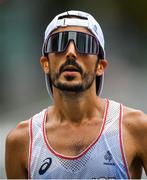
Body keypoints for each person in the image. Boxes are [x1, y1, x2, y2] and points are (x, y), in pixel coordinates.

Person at [5, 10, 147, 179]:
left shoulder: (135, 128)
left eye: (84, 43)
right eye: (59, 43)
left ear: (100, 66)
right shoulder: (21, 141)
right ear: (45, 64)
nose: (71, 52)